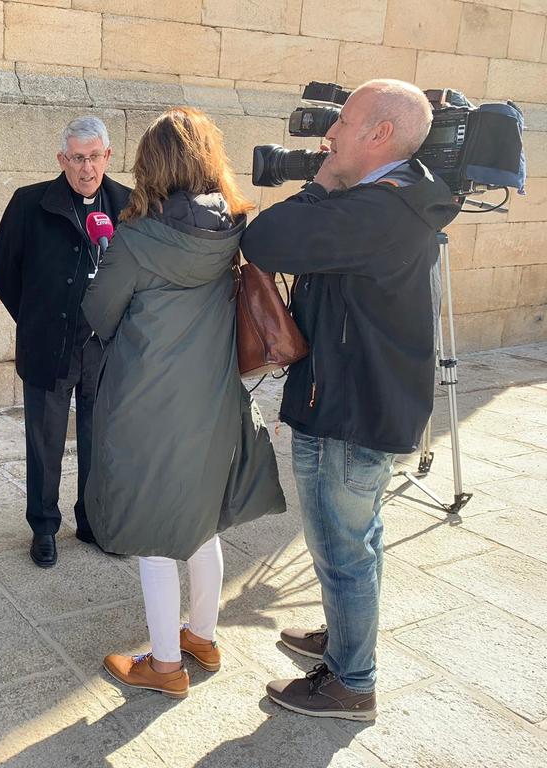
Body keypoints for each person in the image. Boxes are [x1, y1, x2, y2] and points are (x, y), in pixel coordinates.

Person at [240, 79, 461, 721]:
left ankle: (351, 681)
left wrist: (321, 184)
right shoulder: (393, 197)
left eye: (345, 124)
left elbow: (267, 239)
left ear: (380, 134)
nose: (329, 135)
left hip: (352, 409)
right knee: (351, 539)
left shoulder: (376, 211)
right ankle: (345, 640)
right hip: (354, 396)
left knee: (342, 547)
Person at [82, 108, 286, 699]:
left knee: (152, 533)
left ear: (151, 165)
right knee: (201, 521)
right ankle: (202, 635)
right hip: (214, 394)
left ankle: (165, 666)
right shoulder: (234, 228)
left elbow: (99, 314)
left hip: (147, 400)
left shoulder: (139, 238)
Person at [0, 116, 131, 568]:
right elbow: (4, 273)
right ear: (62, 159)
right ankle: (44, 527)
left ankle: (92, 522)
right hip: (50, 343)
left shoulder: (129, 205)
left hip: (104, 346)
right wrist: (36, 320)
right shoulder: (30, 203)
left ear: (108, 156)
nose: (86, 168)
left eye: (94, 157)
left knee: (100, 438)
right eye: (76, 158)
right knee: (45, 440)